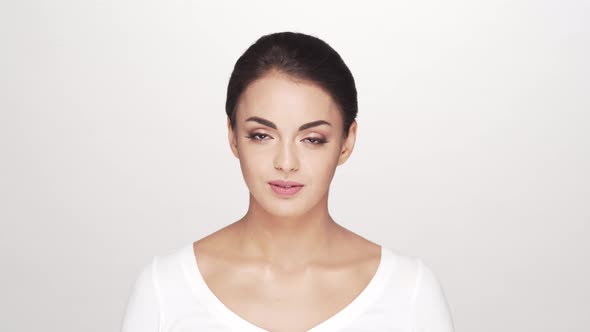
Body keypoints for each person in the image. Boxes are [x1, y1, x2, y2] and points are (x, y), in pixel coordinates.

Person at [121, 31, 455, 332]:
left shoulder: (408, 291)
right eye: (262, 135)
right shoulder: (165, 289)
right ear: (233, 136)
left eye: (312, 139)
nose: (286, 163)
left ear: (346, 142)